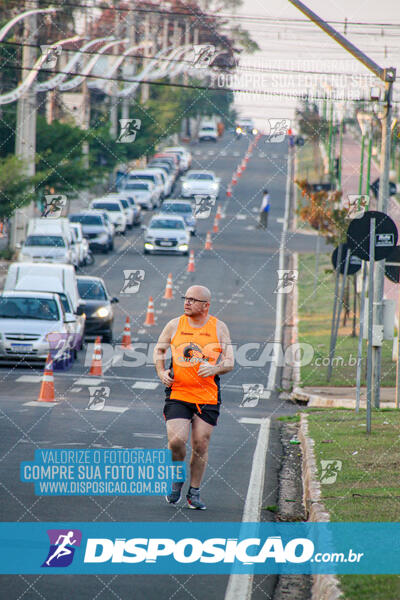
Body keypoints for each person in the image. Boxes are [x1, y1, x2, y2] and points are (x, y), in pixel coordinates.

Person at [154, 285, 234, 510]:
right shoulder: (174, 324)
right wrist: (161, 372)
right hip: (178, 392)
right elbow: (159, 350)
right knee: (177, 441)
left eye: (193, 299)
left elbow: (230, 361)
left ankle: (194, 491)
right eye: (185, 298)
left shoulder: (218, 328)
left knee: (200, 444)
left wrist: (215, 369)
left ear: (206, 305)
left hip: (207, 396)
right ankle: (178, 478)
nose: (186, 302)